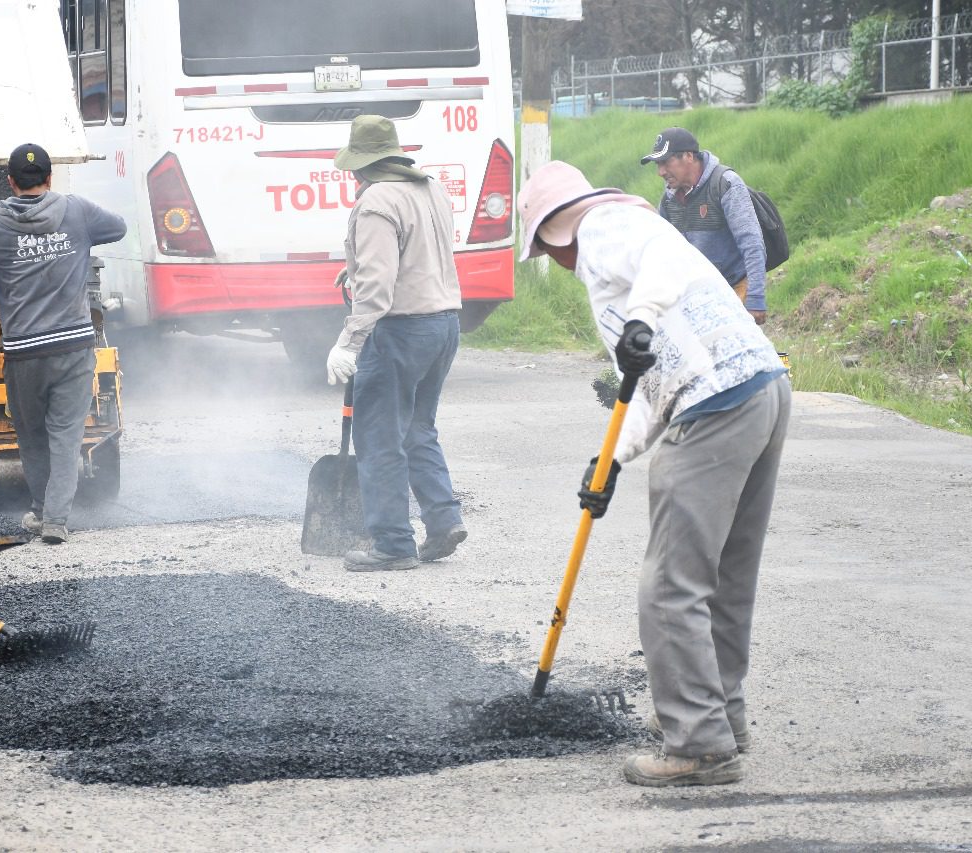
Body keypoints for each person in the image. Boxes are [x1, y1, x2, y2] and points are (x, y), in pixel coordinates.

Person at [518, 160, 791, 787]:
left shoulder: (606, 229)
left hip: (717, 401)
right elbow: (646, 386)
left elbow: (662, 265)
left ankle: (699, 745)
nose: (553, 261)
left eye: (544, 247)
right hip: (757, 387)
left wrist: (639, 316)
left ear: (557, 232)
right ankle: (721, 720)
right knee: (722, 576)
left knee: (671, 586)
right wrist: (611, 460)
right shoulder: (616, 246)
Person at [0, 143, 126, 544]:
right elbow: (118, 227)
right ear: (50, 177)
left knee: (33, 435)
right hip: (74, 346)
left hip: (25, 352)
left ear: (10, 181)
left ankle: (45, 513)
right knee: (66, 434)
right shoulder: (76, 211)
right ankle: (51, 518)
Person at [325, 115, 467, 572]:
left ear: (359, 167)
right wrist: (358, 267)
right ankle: (444, 521)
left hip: (401, 332)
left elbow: (379, 289)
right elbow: (418, 253)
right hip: (444, 325)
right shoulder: (431, 188)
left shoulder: (375, 203)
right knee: (418, 428)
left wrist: (349, 341)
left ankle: (392, 544)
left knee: (379, 437)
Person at [640, 127, 769, 325]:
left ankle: (780, 358)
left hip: (735, 286)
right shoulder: (669, 199)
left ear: (689, 156)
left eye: (666, 162)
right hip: (700, 293)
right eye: (658, 164)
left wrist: (756, 299)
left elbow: (751, 243)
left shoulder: (725, 184)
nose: (661, 172)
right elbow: (665, 253)